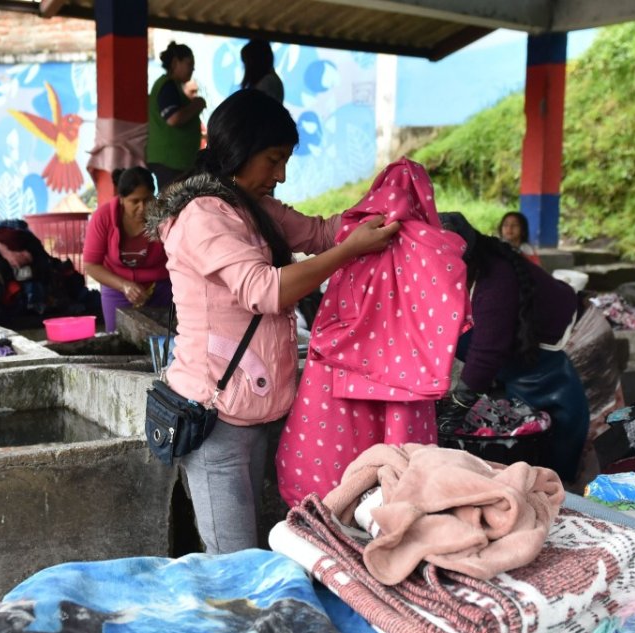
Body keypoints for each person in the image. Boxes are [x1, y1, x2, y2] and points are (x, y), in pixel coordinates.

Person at [143, 88, 400, 554]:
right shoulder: (201, 214)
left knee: (267, 542)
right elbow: (263, 289)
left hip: (259, 408)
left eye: (285, 161)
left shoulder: (252, 207)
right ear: (238, 151)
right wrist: (350, 251)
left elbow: (322, 233)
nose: (280, 175)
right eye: (273, 160)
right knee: (234, 557)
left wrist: (388, 214)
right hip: (214, 415)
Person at [440, 212, 589, 484]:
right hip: (534, 347)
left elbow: (487, 351)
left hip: (575, 337)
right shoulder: (473, 272)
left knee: (568, 427)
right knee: (528, 418)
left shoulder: (495, 279)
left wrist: (460, 401)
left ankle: (568, 490)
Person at [82, 167, 171, 333]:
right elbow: (91, 265)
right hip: (116, 287)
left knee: (164, 341)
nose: (142, 207)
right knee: (119, 342)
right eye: (134, 201)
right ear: (121, 199)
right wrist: (124, 285)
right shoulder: (103, 217)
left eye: (147, 200)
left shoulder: (165, 216)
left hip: (161, 289)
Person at [147, 41, 207, 190]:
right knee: (172, 206)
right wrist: (197, 104)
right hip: (170, 161)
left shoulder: (172, 86)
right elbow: (173, 118)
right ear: (175, 62)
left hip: (175, 160)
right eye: (189, 63)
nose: (193, 68)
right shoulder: (167, 86)